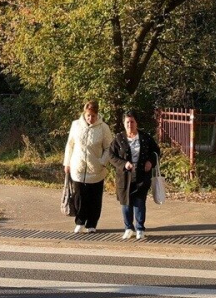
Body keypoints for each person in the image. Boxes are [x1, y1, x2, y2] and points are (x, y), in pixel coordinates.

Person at [109, 111, 161, 240]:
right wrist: (123, 163)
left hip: (141, 175)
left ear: (136, 123)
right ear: (123, 123)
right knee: (126, 203)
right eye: (127, 122)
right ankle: (128, 227)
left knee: (139, 202)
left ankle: (140, 228)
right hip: (124, 177)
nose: (130, 124)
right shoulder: (118, 138)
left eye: (132, 122)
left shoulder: (145, 137)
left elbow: (156, 151)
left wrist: (151, 162)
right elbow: (111, 156)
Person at [63, 100, 114, 233]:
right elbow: (70, 144)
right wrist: (67, 163)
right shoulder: (75, 125)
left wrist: (102, 162)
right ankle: (80, 221)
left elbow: (109, 148)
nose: (91, 118)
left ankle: (92, 223)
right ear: (84, 114)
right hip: (78, 167)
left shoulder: (103, 128)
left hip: (96, 169)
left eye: (93, 116)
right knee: (79, 196)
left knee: (94, 198)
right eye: (88, 116)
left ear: (97, 115)